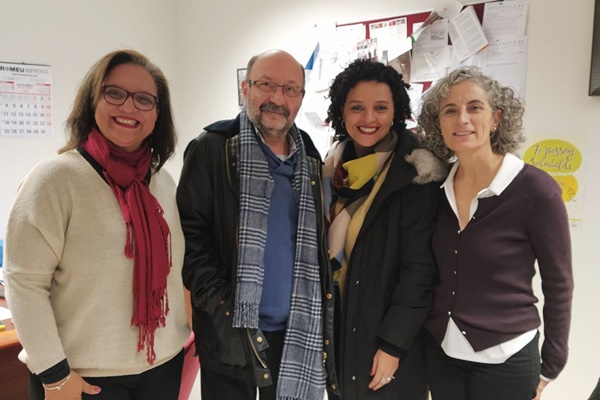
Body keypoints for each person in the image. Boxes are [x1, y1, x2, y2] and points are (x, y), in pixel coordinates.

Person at [3, 49, 190, 400]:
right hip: (82, 378)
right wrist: (55, 375)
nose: (129, 108)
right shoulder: (54, 179)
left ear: (158, 114)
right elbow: (23, 282)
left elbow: (175, 273)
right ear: (92, 101)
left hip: (161, 367)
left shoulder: (161, 181)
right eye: (114, 93)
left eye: (144, 100)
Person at [176, 49, 338, 400]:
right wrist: (222, 311)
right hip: (232, 331)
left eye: (290, 89)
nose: (277, 98)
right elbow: (191, 243)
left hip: (297, 332)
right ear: (245, 88)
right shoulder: (212, 149)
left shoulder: (309, 156)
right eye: (266, 85)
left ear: (300, 98)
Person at [418, 66, 574, 400]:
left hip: (508, 358)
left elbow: (559, 283)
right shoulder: (435, 189)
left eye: (474, 107)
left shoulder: (535, 190)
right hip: (443, 354)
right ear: (439, 125)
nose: (462, 119)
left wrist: (551, 365)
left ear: (496, 119)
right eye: (450, 110)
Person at [323, 58, 447, 400]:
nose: (368, 119)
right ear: (341, 112)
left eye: (380, 107)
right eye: (357, 107)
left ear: (396, 112)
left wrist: (393, 345)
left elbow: (419, 270)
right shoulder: (329, 170)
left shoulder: (415, 175)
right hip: (338, 330)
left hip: (385, 339)